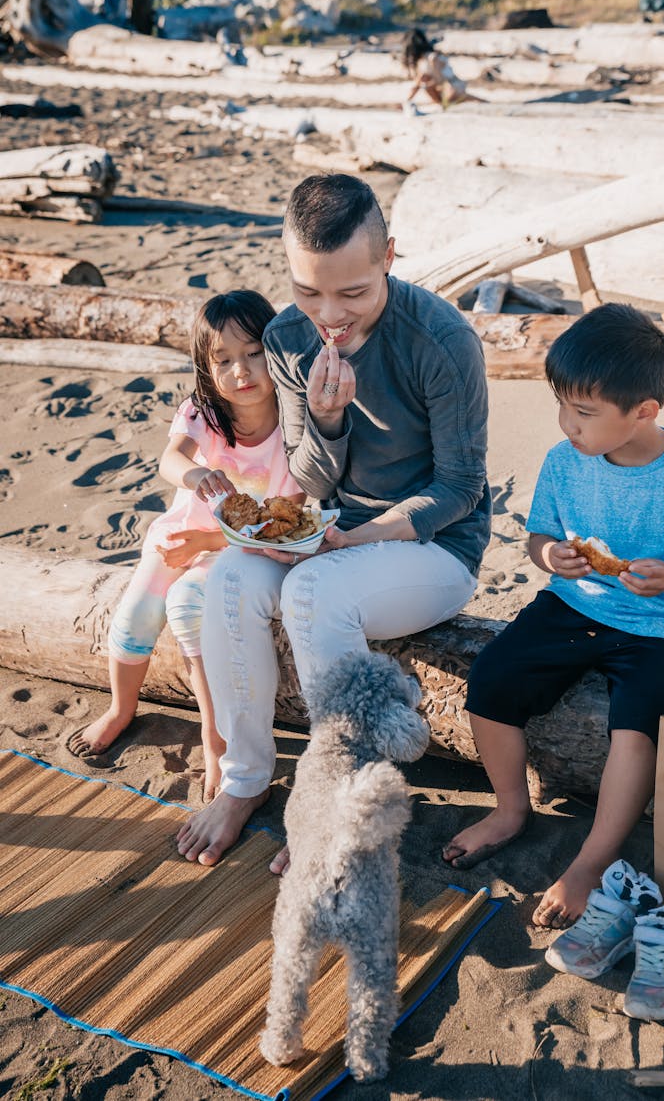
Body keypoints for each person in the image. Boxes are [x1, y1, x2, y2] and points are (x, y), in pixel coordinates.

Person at [175, 172, 491, 868]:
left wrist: (358, 536)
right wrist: (325, 419)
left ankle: (340, 799)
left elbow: (462, 488)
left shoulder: (441, 341)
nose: (329, 315)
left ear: (388, 257)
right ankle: (245, 781)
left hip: (434, 549)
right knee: (230, 577)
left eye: (352, 292)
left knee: (312, 593)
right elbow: (313, 480)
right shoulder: (289, 338)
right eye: (307, 290)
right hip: (336, 535)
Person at [442, 303, 664, 928]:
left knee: (637, 726)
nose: (566, 424)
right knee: (493, 678)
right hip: (575, 602)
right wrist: (550, 556)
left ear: (644, 412)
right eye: (562, 406)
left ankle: (593, 859)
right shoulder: (563, 460)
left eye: (583, 413)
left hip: (662, 625)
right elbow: (539, 538)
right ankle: (510, 810)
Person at [67, 290, 303, 802]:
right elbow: (170, 459)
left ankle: (214, 737)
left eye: (253, 352)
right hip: (181, 535)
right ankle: (120, 708)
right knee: (134, 618)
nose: (240, 371)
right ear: (205, 367)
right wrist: (195, 474)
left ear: (277, 350)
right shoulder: (205, 411)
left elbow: (280, 523)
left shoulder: (291, 425)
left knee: (190, 610)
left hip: (241, 551)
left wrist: (208, 539)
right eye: (223, 360)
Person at [402, 27, 484, 110]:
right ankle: (450, 102)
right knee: (424, 81)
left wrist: (427, 84)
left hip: (452, 87)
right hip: (454, 87)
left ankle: (447, 103)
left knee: (425, 81)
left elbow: (440, 80)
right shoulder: (428, 58)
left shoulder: (431, 58)